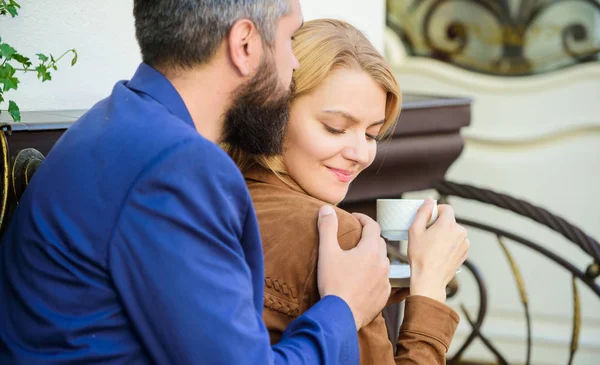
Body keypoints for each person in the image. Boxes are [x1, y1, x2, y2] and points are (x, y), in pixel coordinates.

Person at [0, 1, 393, 364]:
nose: (293, 65)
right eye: (289, 40)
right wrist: (344, 306)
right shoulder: (175, 166)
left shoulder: (120, 119)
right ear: (244, 45)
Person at [225, 19, 469, 364]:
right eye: (335, 128)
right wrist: (430, 289)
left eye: (371, 134)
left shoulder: (215, 194)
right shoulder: (333, 232)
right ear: (272, 115)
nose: (360, 154)